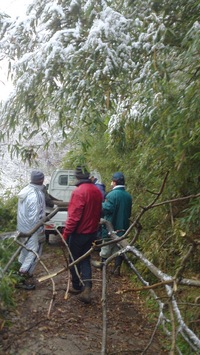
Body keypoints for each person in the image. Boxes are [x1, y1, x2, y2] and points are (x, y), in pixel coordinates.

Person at [63, 166, 102, 304]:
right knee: (85, 259)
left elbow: (74, 217)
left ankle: (76, 285)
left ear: (77, 177)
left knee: (74, 259)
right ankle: (87, 287)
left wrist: (66, 234)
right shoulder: (96, 191)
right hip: (92, 232)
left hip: (79, 233)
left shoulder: (79, 192)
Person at [92, 172, 132, 276]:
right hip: (123, 228)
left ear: (114, 182)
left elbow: (106, 209)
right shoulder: (128, 196)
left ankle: (103, 266)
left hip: (111, 227)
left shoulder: (111, 195)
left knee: (106, 248)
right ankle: (116, 269)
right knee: (119, 249)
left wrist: (99, 205)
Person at [17, 170, 46, 290]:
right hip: (32, 229)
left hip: (22, 227)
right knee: (33, 252)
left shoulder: (25, 190)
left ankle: (19, 273)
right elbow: (37, 215)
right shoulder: (37, 194)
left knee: (24, 251)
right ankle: (23, 277)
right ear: (41, 180)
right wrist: (40, 230)